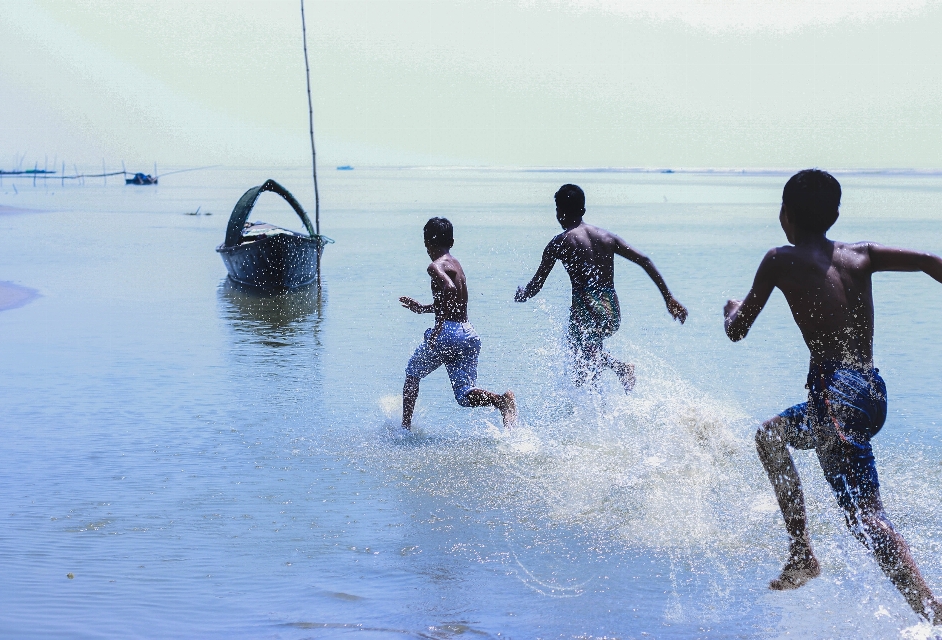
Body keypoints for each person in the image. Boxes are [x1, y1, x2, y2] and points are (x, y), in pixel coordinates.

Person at [724, 169, 942, 622]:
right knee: (772, 438)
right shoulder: (860, 254)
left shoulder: (779, 259)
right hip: (870, 392)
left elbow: (738, 330)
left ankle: (932, 611)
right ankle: (803, 554)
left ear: (784, 215)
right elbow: (926, 259)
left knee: (867, 518)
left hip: (836, 397)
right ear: (836, 213)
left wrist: (729, 312)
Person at [515, 184, 687, 386]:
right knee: (588, 361)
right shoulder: (606, 237)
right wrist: (668, 298)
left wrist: (523, 294)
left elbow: (537, 283)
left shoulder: (559, 243)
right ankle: (606, 393)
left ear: (559, 213)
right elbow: (644, 260)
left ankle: (617, 372)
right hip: (611, 310)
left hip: (585, 309)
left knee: (579, 360)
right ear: (583, 211)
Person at [400, 217, 517, 430]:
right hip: (467, 333)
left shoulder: (435, 266)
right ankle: (501, 401)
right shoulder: (456, 264)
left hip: (447, 333)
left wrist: (438, 327)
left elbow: (449, 289)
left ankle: (404, 428)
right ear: (452, 242)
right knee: (464, 395)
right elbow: (452, 301)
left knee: (412, 372)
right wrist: (423, 308)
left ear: (426, 243)